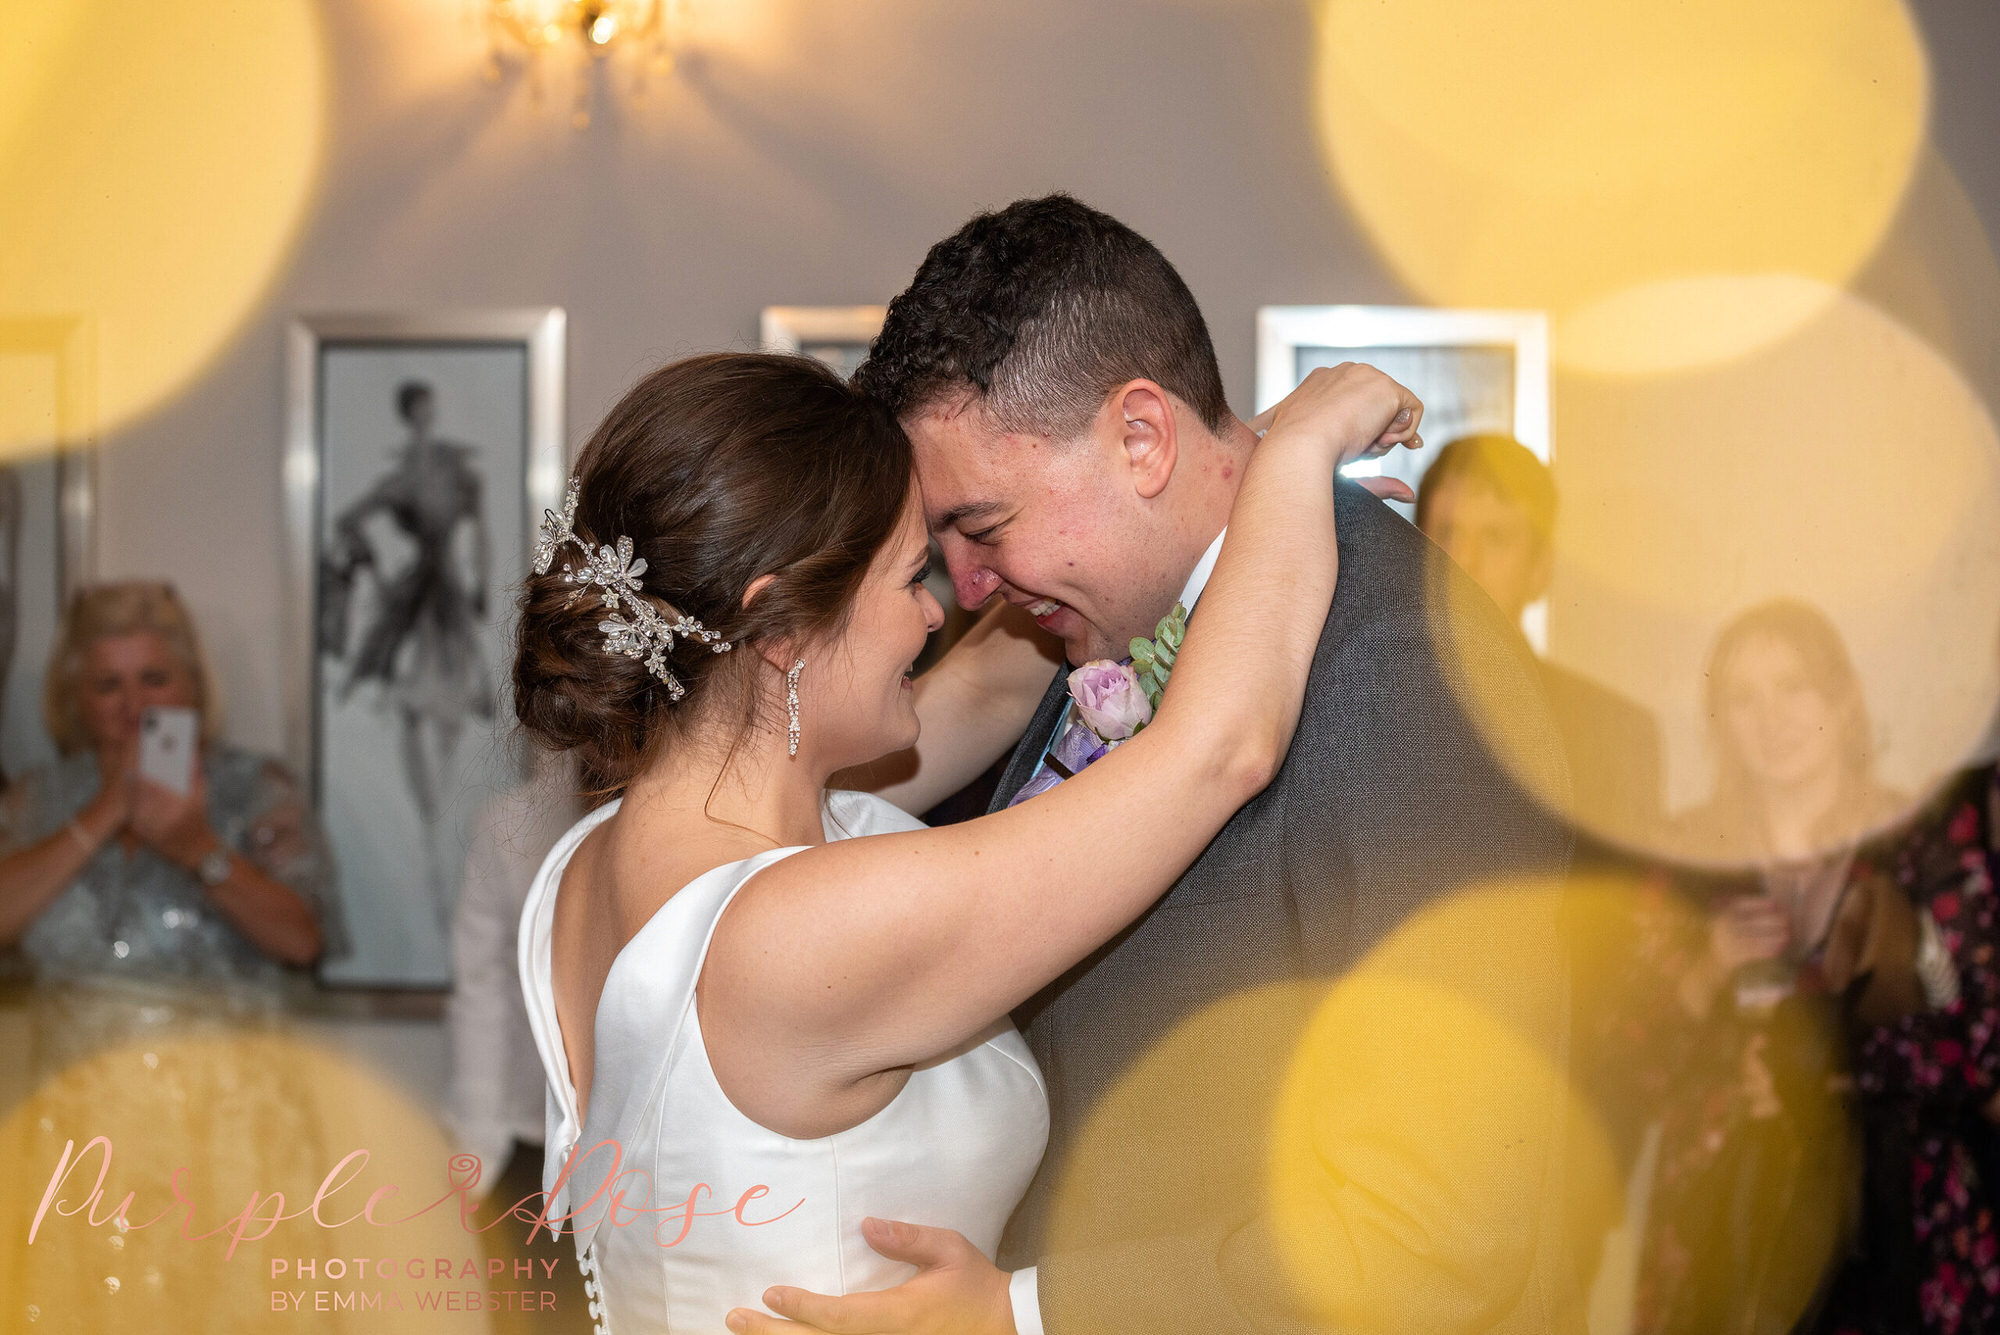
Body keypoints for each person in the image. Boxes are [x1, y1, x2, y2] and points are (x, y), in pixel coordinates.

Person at [757, 196, 1576, 1335]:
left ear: (1142, 439)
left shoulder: (1399, 662)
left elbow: (1437, 1228)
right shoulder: (1087, 626)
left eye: (982, 526)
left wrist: (1027, 1314)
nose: (970, 586)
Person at [512, 349, 1423, 1333]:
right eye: (910, 576)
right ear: (778, 629)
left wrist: (1205, 460)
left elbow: (993, 677)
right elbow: (1220, 753)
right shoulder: (799, 931)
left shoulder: (596, 860)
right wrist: (1296, 457)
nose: (940, 608)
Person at [1608, 599, 2000, 1333]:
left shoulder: (1922, 845)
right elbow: (1624, 1063)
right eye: (1743, 698)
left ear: (1842, 698)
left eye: (1793, 686)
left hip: (1894, 1225)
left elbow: (1975, 1050)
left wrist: (1822, 1077)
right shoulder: (1688, 856)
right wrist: (1706, 968)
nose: (1773, 717)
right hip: (1724, 1236)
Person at [0, 581, 339, 1066]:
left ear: (193, 687)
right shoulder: (36, 799)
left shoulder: (256, 787)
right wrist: (104, 812)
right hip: (77, 1113)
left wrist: (199, 849)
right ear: (76, 698)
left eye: (154, 679)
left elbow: (303, 943)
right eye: (108, 685)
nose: (134, 707)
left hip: (228, 1111)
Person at [1415, 432, 1663, 847]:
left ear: (1539, 570)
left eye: (1495, 538)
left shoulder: (1616, 737)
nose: (1464, 560)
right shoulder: (1347, 714)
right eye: (1447, 533)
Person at [320, 379, 494, 927]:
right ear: (409, 415)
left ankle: (443, 829)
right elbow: (348, 518)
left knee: (463, 683)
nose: (426, 416)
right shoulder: (404, 476)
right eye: (418, 409)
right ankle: (430, 832)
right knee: (393, 662)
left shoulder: (454, 469)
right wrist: (370, 562)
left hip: (446, 586)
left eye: (429, 408)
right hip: (422, 581)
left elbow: (481, 530)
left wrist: (483, 582)